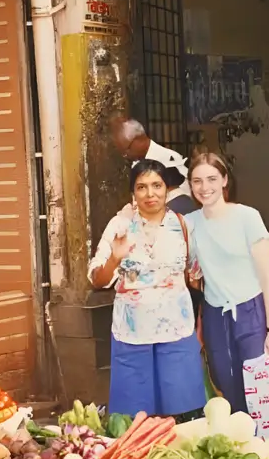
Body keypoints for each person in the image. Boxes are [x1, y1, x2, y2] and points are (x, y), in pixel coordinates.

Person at [88, 159, 207, 419]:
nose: (150, 193)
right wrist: (115, 259)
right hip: (132, 335)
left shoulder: (183, 225)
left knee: (184, 417)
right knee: (136, 420)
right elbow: (97, 279)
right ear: (133, 192)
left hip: (177, 332)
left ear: (167, 190)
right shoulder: (119, 226)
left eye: (157, 185)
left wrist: (201, 327)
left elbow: (195, 277)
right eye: (142, 187)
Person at [185, 150, 269, 417]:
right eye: (197, 181)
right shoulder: (189, 224)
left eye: (211, 179)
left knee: (266, 391)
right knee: (227, 386)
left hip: (253, 311)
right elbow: (187, 267)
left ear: (224, 180)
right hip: (215, 315)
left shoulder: (247, 217)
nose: (204, 187)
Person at [111, 117, 197, 215]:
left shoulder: (168, 160)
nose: (126, 156)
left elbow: (184, 199)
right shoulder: (136, 163)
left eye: (127, 150)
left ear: (140, 138)